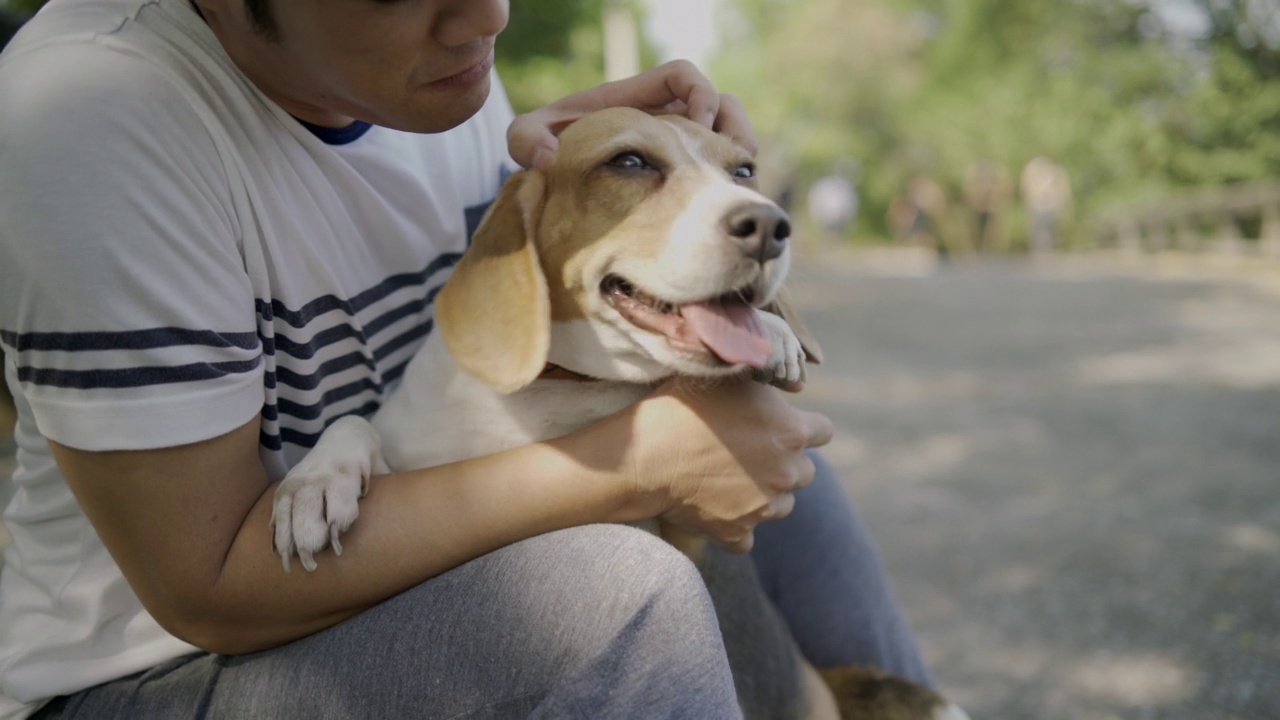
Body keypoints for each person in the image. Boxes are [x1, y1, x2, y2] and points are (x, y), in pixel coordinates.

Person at [0, 1, 934, 717]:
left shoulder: (440, 81)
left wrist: (617, 165)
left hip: (393, 549)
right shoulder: (90, 113)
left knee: (769, 458)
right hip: (161, 675)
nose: (484, 14)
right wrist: (639, 463)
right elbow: (210, 592)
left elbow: (527, 310)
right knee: (619, 594)